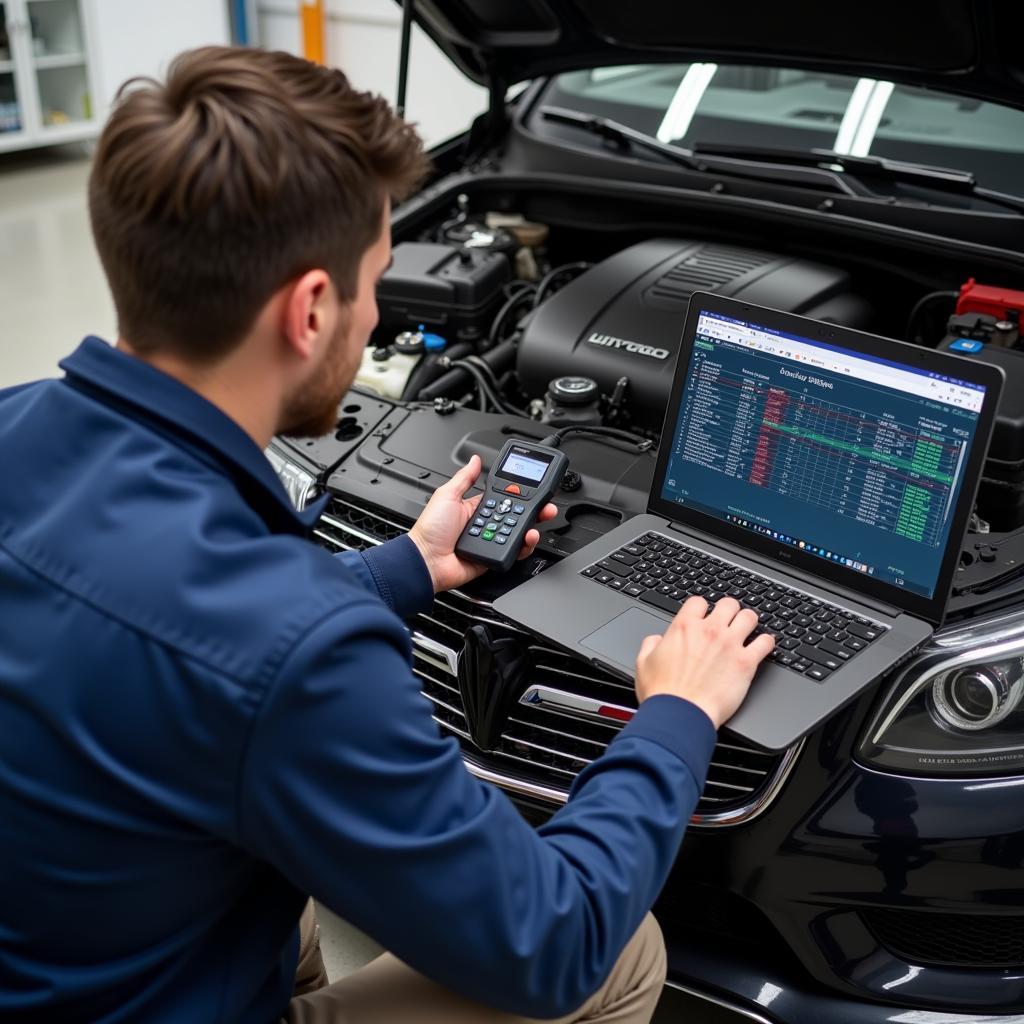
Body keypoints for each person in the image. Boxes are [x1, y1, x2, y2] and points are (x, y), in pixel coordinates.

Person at [0, 46, 774, 1023]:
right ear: (311, 308)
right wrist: (679, 713)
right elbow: (553, 939)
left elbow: (176, 635)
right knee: (621, 951)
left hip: (66, 947)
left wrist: (408, 563)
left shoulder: (15, 424)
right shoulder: (292, 649)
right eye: (375, 281)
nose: (376, 314)